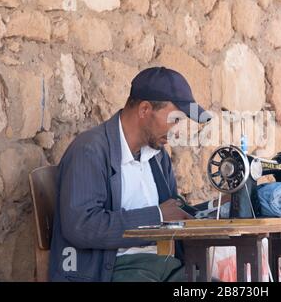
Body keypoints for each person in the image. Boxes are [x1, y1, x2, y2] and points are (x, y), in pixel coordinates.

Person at [49, 67, 221, 282]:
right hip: (110, 272)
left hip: (162, 267)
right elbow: (81, 226)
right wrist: (156, 216)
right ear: (144, 109)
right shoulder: (90, 151)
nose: (177, 130)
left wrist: (215, 210)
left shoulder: (158, 156)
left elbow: (171, 213)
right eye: (175, 119)